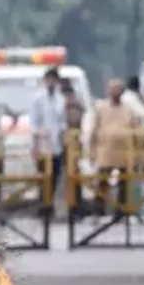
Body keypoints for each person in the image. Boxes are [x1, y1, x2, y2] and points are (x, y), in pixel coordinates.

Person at [91, 78, 141, 216]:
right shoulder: (101, 108)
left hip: (123, 152)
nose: (115, 92)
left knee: (124, 184)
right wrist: (92, 150)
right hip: (105, 151)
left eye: (118, 89)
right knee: (102, 182)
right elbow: (94, 130)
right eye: (112, 89)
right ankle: (98, 211)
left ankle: (121, 212)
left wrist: (136, 152)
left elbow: (135, 128)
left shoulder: (128, 109)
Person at [29, 68, 67, 215]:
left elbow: (62, 122)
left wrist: (63, 138)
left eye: (54, 80)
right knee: (43, 175)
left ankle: (50, 203)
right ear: (45, 81)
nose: (51, 82)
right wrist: (35, 144)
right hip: (42, 143)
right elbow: (34, 121)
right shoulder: (38, 98)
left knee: (55, 175)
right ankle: (43, 204)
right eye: (49, 79)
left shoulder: (60, 99)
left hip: (56, 144)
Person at [60, 80, 87, 214]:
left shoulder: (75, 106)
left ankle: (75, 206)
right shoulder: (59, 105)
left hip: (72, 145)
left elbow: (76, 121)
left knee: (73, 176)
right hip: (61, 146)